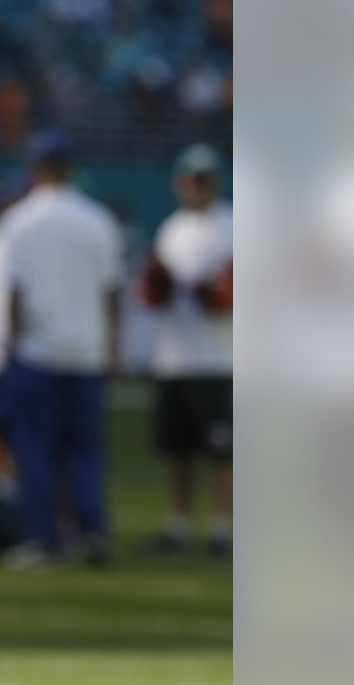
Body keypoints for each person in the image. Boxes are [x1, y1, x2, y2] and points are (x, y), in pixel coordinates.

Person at [0, 129, 124, 568]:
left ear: (36, 168)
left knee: (36, 449)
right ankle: (91, 532)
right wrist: (112, 350)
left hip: (38, 351)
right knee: (84, 449)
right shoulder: (98, 219)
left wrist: (8, 346)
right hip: (85, 351)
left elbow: (13, 292)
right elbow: (112, 294)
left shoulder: (21, 220)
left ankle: (42, 537)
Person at [141, 143, 232, 556]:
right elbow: (157, 288)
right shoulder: (172, 228)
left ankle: (221, 527)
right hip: (175, 355)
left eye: (204, 179)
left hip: (220, 356)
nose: (197, 186)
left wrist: (219, 293)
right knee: (177, 449)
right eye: (191, 179)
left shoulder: (231, 224)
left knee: (223, 450)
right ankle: (177, 524)